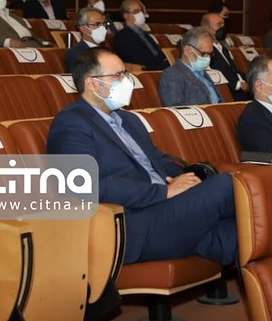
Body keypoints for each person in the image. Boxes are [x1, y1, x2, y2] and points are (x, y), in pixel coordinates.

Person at [47, 48, 237, 266]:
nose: (126, 81)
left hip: (167, 212)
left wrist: (186, 181)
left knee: (242, 235)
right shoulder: (71, 123)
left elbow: (159, 161)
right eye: (118, 75)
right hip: (134, 223)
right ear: (92, 83)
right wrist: (164, 191)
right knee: (228, 185)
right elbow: (84, 186)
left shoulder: (129, 120)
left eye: (125, 74)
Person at [159, 27, 223, 107]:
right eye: (204, 54)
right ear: (187, 51)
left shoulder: (202, 72)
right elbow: (176, 108)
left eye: (210, 54)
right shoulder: (172, 75)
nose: (208, 58)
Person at [112, 0, 169, 70]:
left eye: (141, 11)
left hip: (160, 65)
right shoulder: (122, 36)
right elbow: (135, 59)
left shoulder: (143, 33)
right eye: (136, 12)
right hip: (146, 69)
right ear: (127, 16)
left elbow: (156, 52)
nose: (140, 14)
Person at [201, 13, 248, 101]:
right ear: (207, 28)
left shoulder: (223, 49)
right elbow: (213, 74)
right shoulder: (204, 50)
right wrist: (238, 85)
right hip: (226, 93)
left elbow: (233, 70)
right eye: (219, 24)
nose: (223, 28)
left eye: (223, 24)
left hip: (240, 92)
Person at [65, 7, 108, 72]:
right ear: (84, 29)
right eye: (97, 24)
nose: (102, 28)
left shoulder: (106, 50)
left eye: (104, 24)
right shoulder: (77, 54)